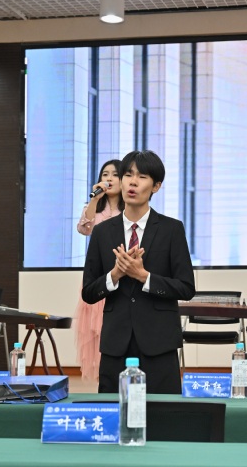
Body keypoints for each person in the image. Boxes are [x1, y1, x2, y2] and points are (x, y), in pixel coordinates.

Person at [81, 150, 195, 394]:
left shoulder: (171, 229)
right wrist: (115, 275)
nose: (132, 182)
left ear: (156, 186)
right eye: (128, 175)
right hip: (115, 345)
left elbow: (186, 288)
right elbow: (88, 292)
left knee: (164, 414)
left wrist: (144, 276)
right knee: (114, 412)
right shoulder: (102, 232)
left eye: (142, 177)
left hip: (159, 344)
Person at [73, 159, 124, 382]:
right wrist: (95, 198)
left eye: (115, 174)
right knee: (98, 335)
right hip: (99, 278)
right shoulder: (95, 207)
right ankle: (106, 381)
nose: (109, 178)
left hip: (123, 275)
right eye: (105, 174)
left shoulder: (130, 209)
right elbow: (84, 229)